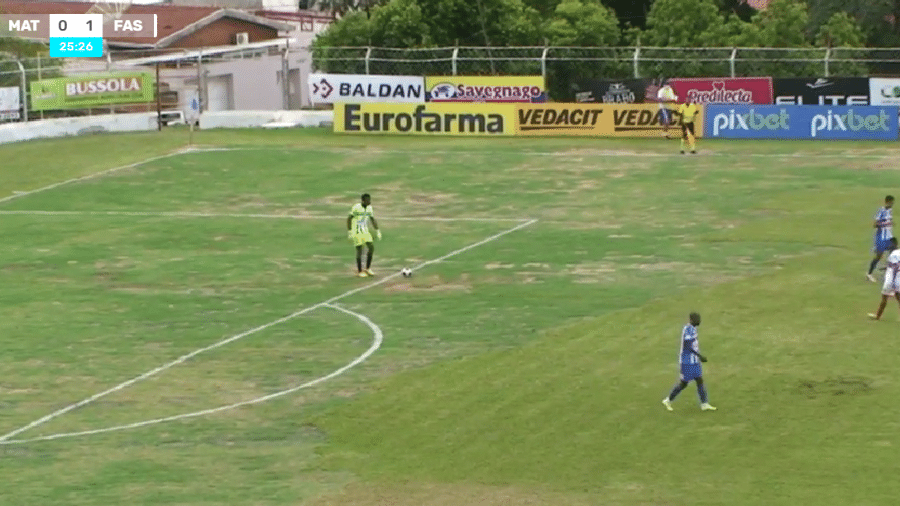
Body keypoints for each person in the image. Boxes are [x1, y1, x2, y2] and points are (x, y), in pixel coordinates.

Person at [662, 312, 717, 412]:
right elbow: (687, 346)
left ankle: (704, 404)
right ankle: (668, 400)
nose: (699, 321)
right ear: (691, 320)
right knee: (684, 383)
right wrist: (700, 356)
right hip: (687, 361)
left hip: (694, 361)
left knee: (699, 380)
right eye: (697, 319)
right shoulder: (688, 329)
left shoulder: (693, 328)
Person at [347, 193, 381, 277]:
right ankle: (359, 271)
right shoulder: (356, 208)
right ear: (363, 201)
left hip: (365, 231)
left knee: (371, 247)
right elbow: (349, 218)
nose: (369, 201)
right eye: (367, 200)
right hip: (357, 231)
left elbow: (372, 219)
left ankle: (368, 268)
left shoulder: (369, 208)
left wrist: (377, 230)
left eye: (369, 200)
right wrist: (350, 231)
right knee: (360, 250)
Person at [869, 237, 900, 320]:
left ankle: (877, 317)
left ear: (894, 244)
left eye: (889, 245)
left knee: (884, 298)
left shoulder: (892, 254)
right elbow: (895, 265)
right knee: (898, 297)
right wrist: (886, 267)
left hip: (890, 280)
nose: (888, 247)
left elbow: (894, 266)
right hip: (898, 280)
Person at [867, 195, 894, 282]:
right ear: (888, 202)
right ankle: (869, 273)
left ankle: (888, 270)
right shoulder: (881, 211)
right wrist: (885, 224)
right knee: (879, 256)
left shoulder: (890, 210)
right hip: (881, 238)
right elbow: (875, 225)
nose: (892, 204)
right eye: (891, 202)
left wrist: (891, 223)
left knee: (894, 253)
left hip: (888, 237)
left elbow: (889, 221)